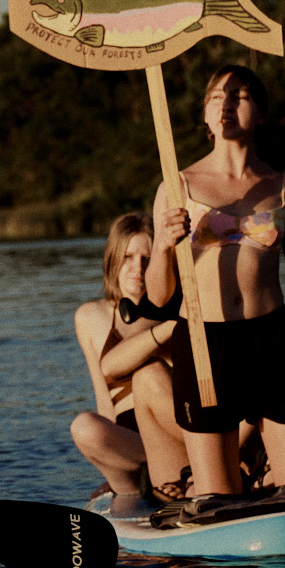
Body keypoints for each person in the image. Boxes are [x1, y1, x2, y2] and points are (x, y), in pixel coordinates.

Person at [147, 65, 285, 502]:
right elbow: (157, 296)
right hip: (203, 342)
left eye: (241, 95)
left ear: (262, 114)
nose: (227, 104)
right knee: (218, 501)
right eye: (217, 97)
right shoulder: (177, 187)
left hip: (272, 340)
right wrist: (161, 245)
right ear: (206, 117)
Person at [69, 214, 191, 519]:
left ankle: (176, 472)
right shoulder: (90, 316)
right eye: (128, 257)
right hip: (128, 443)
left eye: (147, 259)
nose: (137, 269)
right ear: (113, 260)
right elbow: (103, 394)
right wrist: (109, 454)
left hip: (171, 434)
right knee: (84, 426)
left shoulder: (176, 314)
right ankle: (138, 484)